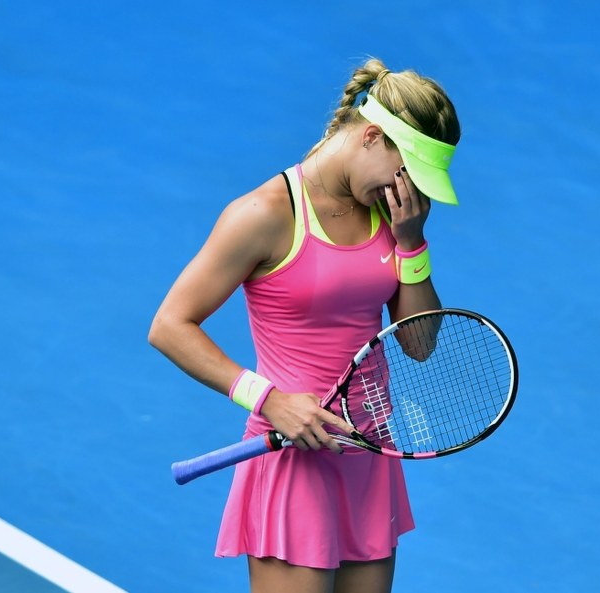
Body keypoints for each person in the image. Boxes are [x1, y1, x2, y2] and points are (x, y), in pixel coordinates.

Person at [148, 57, 461, 593]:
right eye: (407, 170)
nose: (410, 190)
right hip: (293, 454)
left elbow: (419, 342)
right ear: (370, 137)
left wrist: (412, 244)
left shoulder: (394, 216)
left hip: (369, 450)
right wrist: (268, 400)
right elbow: (170, 325)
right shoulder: (264, 214)